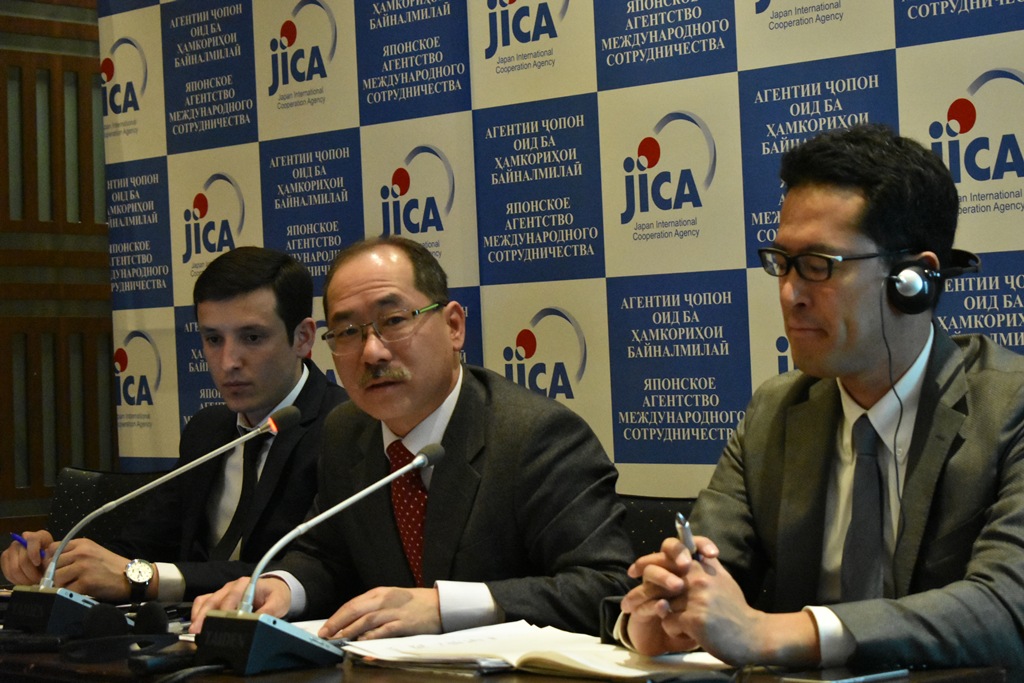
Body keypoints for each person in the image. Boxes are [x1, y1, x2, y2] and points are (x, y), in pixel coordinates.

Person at [618, 124, 1024, 675]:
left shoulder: (1009, 408)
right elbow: (709, 570)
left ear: (914, 280)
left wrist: (772, 632)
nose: (790, 294)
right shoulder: (775, 412)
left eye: (818, 265)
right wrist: (662, 614)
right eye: (781, 262)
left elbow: (1006, 607)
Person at [190, 236, 634, 639]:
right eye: (348, 332)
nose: (372, 352)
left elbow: (607, 587)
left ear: (454, 326)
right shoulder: (347, 431)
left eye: (394, 320)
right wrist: (282, 586)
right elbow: (328, 557)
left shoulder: (535, 436)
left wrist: (445, 606)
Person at [1, 247, 347, 602]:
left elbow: (307, 571)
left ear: (303, 338)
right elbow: (137, 548)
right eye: (213, 339)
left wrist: (145, 577)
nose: (228, 361)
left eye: (252, 338)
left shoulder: (344, 430)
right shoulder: (208, 430)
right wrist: (58, 562)